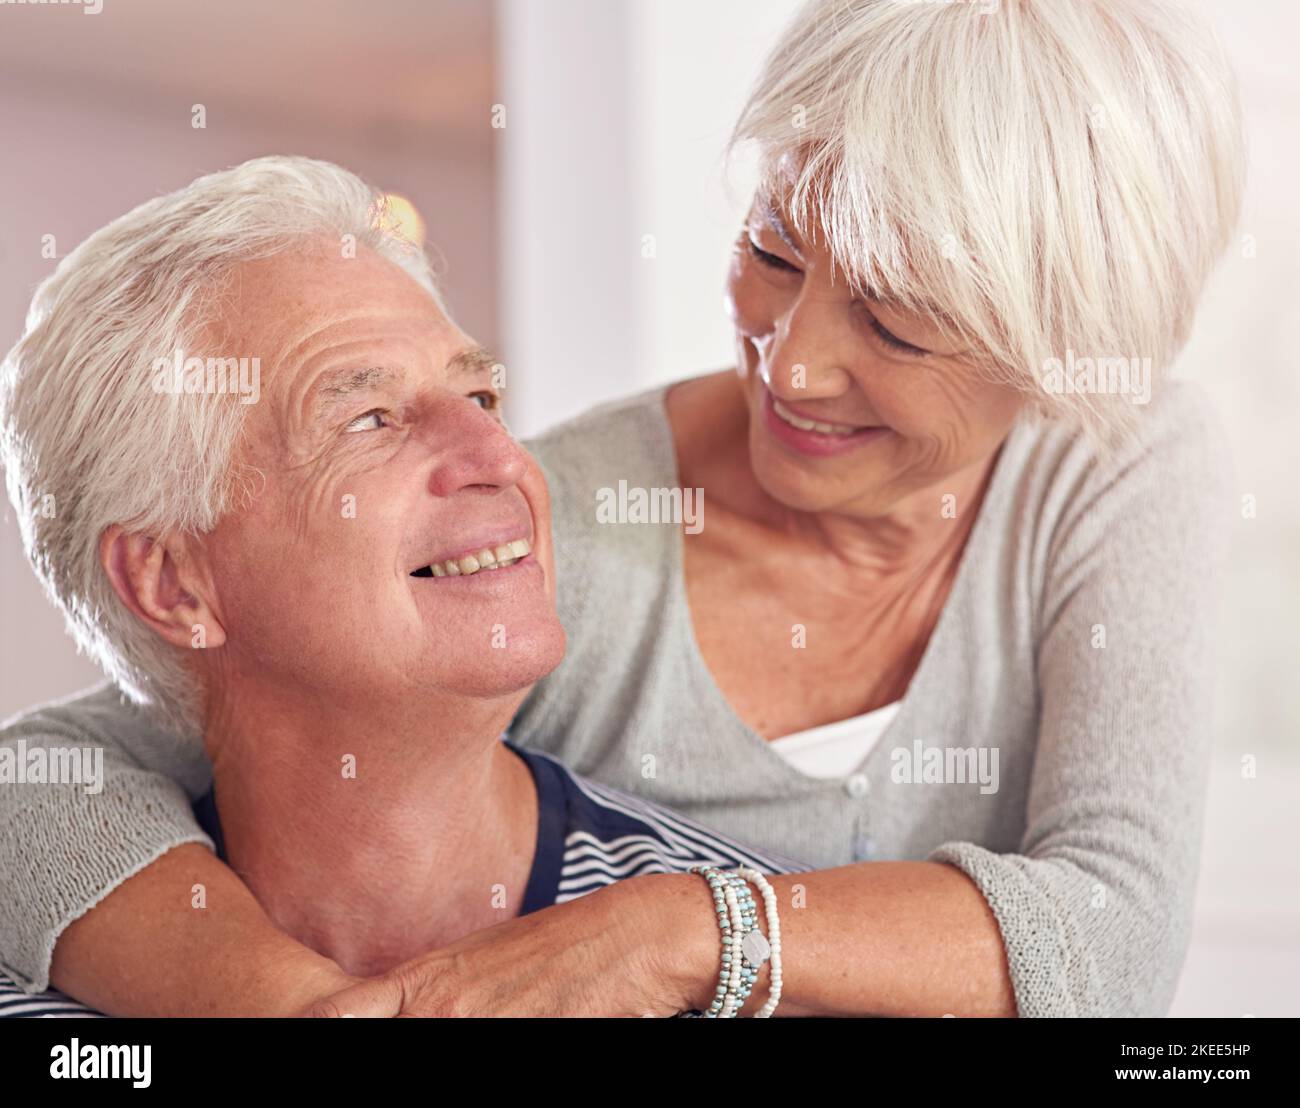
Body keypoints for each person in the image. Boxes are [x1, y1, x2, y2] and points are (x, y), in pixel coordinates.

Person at [1, 0, 1244, 1017]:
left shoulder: (1117, 458)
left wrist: (683, 930)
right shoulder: (555, 527)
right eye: (772, 253)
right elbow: (66, 767)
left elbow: (1112, 948)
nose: (791, 362)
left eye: (895, 324)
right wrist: (283, 1008)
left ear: (1057, 353)